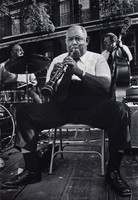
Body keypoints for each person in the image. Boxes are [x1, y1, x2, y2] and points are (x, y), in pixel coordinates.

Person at [1, 25, 131, 196]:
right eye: (70, 39)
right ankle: (31, 171)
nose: (74, 43)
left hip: (91, 108)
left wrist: (78, 71)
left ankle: (113, 172)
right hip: (62, 109)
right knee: (25, 112)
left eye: (78, 38)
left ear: (87, 40)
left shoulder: (98, 58)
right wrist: (65, 76)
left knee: (121, 110)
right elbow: (53, 96)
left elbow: (105, 87)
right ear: (65, 42)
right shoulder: (57, 60)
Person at [101, 32, 133, 100]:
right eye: (104, 42)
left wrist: (121, 47)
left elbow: (128, 58)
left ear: (113, 42)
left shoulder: (122, 48)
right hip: (108, 80)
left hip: (120, 79)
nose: (104, 44)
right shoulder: (104, 53)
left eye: (106, 42)